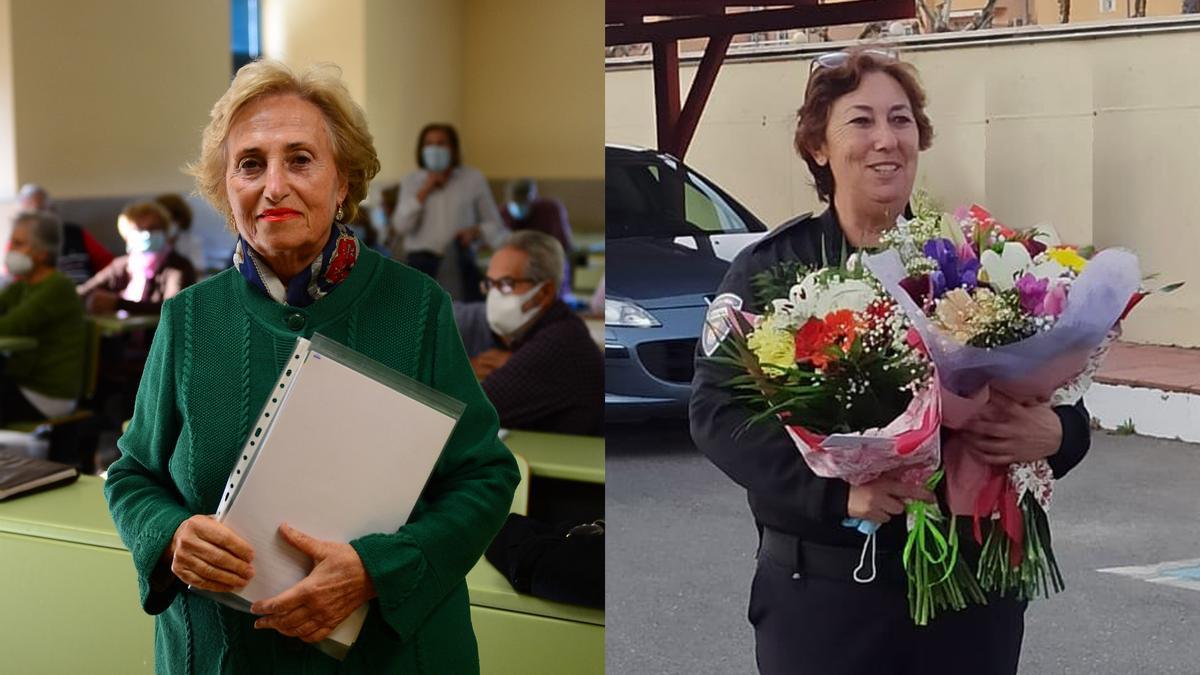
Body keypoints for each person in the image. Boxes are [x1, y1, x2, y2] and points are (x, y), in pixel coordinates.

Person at [103, 60, 518, 674]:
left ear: (343, 180)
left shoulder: (417, 307)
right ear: (226, 187)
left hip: (393, 658)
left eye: (300, 159)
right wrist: (170, 536)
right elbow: (131, 475)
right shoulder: (188, 318)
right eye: (251, 164)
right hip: (225, 657)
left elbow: (484, 477)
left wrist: (376, 571)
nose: (274, 186)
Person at [689, 48, 1093, 675]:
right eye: (861, 121)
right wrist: (835, 494)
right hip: (827, 598)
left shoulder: (971, 258)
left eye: (901, 120)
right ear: (818, 147)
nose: (887, 139)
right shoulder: (770, 272)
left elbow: (1060, 400)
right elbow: (716, 415)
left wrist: (1060, 435)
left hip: (971, 598)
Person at [458, 231, 602, 436]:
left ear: (544, 292)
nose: (494, 296)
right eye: (490, 284)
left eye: (506, 285)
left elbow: (468, 411)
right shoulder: (550, 331)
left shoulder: (559, 343)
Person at [392, 123, 508, 300]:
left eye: (441, 143)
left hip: (460, 262)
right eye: (429, 144)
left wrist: (476, 231)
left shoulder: (472, 179)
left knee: (459, 320)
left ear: (453, 149)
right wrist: (425, 189)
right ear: (421, 150)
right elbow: (401, 225)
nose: (435, 149)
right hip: (420, 265)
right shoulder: (411, 181)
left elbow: (495, 224)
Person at [0, 210, 86, 424]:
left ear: (42, 252)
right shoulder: (22, 285)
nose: (11, 250)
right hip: (23, 383)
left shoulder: (58, 287)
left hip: (46, 394)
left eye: (19, 243)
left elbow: (9, 326)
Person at [76, 201, 197, 315]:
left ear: (165, 231)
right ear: (126, 235)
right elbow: (85, 290)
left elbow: (173, 309)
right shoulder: (122, 265)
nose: (147, 234)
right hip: (123, 336)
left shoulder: (178, 267)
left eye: (153, 228)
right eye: (139, 229)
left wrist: (118, 304)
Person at [17, 183, 114, 285]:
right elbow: (13, 278)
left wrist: (96, 285)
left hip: (84, 293)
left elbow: (108, 264)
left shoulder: (76, 233)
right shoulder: (19, 241)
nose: (43, 216)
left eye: (45, 209)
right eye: (36, 212)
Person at [500, 178, 575, 297]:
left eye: (523, 202)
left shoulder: (551, 210)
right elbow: (503, 244)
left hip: (550, 263)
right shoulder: (504, 213)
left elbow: (564, 246)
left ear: (533, 199)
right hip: (519, 267)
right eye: (515, 203)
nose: (519, 207)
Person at [154, 192, 207, 275]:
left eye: (171, 219)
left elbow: (198, 270)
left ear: (180, 220)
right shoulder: (153, 241)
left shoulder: (192, 242)